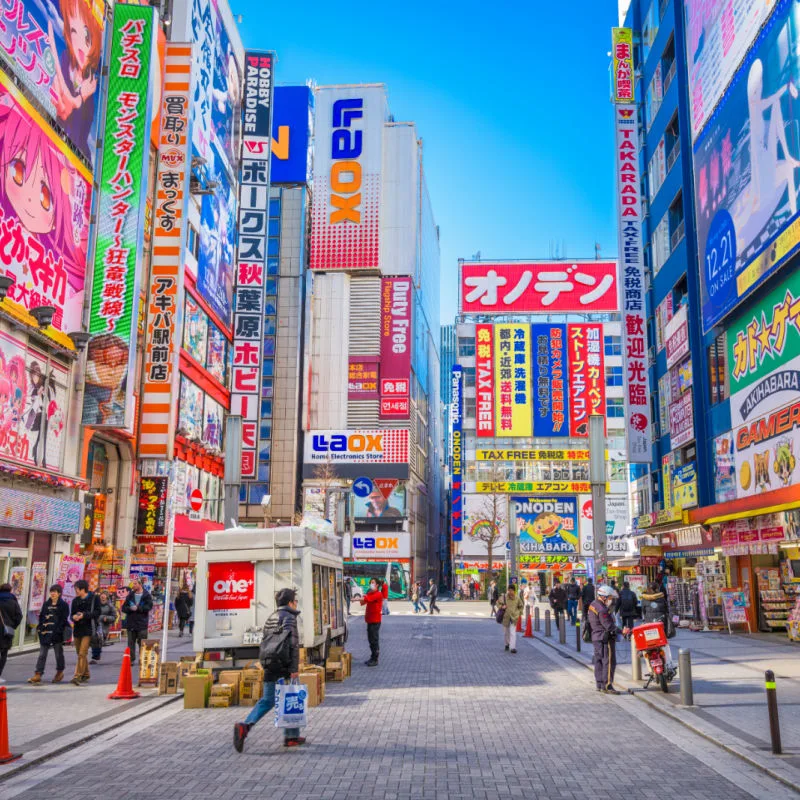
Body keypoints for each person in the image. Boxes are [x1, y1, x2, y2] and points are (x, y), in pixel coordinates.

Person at [233, 588, 305, 752]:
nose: (296, 603)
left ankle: (246, 726)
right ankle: (291, 737)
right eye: (295, 601)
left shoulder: (271, 617)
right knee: (291, 699)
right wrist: (294, 668)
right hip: (284, 665)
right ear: (290, 603)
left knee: (268, 700)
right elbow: (293, 645)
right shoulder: (290, 618)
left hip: (269, 664)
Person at [587, 585, 629, 694]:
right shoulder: (602, 609)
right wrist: (622, 631)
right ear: (604, 597)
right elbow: (609, 626)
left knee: (599, 661)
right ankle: (607, 685)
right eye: (610, 598)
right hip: (605, 639)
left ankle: (600, 684)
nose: (611, 600)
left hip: (596, 637)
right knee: (608, 662)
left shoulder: (593, 604)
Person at [29, 585, 71, 684]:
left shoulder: (63, 605)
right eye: (51, 591)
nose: (52, 593)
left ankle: (59, 672)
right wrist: (40, 628)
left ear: (59, 593)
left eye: (54, 592)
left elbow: (63, 620)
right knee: (42, 654)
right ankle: (38, 674)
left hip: (57, 633)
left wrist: (58, 631)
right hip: (45, 633)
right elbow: (42, 617)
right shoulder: (46, 604)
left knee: (58, 654)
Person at [69, 579, 98, 686]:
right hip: (77, 629)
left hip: (88, 629)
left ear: (83, 589)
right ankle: (86, 674)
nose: (76, 591)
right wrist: (74, 617)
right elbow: (71, 614)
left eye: (77, 589)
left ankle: (77, 676)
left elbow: (97, 612)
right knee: (80, 653)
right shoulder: (75, 600)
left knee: (82, 653)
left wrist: (84, 615)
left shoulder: (94, 598)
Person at [122, 579, 153, 664]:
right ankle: (131, 660)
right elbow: (124, 608)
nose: (133, 585)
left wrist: (139, 608)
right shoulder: (130, 595)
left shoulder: (146, 595)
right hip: (131, 623)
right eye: (133, 584)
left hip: (142, 623)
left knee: (142, 643)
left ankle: (142, 660)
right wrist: (130, 608)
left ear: (140, 584)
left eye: (135, 583)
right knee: (130, 643)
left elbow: (149, 607)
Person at [360, 578, 388, 666]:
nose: (371, 584)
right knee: (370, 639)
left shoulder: (378, 594)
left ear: (377, 585)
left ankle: (375, 659)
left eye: (372, 582)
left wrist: (360, 597)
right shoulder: (371, 593)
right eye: (370, 583)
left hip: (375, 620)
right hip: (369, 619)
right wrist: (360, 598)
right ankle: (372, 657)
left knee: (374, 640)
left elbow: (367, 599)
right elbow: (363, 602)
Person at [0, 582, 22, 680]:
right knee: (4, 654)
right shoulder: (13, 602)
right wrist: (12, 626)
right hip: (7, 632)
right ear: (10, 590)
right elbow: (19, 616)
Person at [90, 590, 117, 664]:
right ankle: (95, 657)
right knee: (95, 640)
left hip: (104, 627)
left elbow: (114, 617)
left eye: (104, 595)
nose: (103, 596)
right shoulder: (96, 604)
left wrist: (107, 618)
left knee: (99, 641)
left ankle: (96, 655)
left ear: (107, 597)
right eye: (102, 595)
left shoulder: (110, 606)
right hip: (95, 625)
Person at [496, 584, 524, 653]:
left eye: (512, 590)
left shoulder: (517, 598)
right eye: (509, 590)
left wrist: (519, 613)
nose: (510, 592)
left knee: (513, 632)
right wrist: (502, 607)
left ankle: (513, 647)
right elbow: (497, 603)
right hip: (506, 617)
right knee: (506, 633)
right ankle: (507, 644)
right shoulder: (504, 597)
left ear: (514, 591)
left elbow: (521, 606)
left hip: (514, 618)